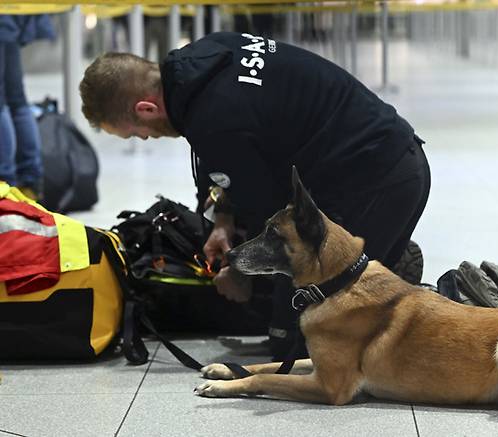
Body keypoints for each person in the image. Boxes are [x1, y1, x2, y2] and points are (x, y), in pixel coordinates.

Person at [80, 31, 458, 358]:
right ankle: (377, 265)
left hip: (377, 186)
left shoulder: (215, 119)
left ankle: (435, 301)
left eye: (134, 132)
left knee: (296, 343)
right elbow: (239, 157)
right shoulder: (203, 61)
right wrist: (223, 223)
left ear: (145, 108)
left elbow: (278, 222)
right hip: (383, 166)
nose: (143, 139)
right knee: (287, 302)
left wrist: (239, 273)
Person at [0, 14, 55, 200]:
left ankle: (4, 184)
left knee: (5, 104)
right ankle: (29, 181)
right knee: (16, 101)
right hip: (9, 18)